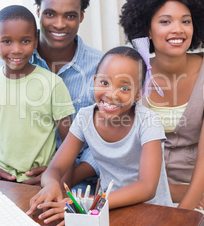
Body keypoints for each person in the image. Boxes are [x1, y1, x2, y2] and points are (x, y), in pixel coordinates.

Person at [0, 0, 104, 186]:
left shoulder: (101, 66)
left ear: (81, 16)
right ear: (38, 12)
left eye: (69, 15)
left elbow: (107, 138)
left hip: (76, 180)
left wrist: (56, 176)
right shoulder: (3, 61)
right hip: (10, 181)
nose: (59, 24)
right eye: (50, 14)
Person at [119, 0, 204, 222]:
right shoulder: (133, 72)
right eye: (165, 21)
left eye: (186, 20)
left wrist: (182, 213)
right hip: (140, 186)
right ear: (147, 30)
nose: (178, 29)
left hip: (194, 191)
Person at [26, 46, 173, 224]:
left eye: (125, 88)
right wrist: (51, 184)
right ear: (95, 81)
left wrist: (93, 205)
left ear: (138, 93)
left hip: (151, 212)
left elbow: (147, 187)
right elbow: (55, 169)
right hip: (104, 211)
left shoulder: (148, 121)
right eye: (104, 83)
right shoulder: (85, 118)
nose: (111, 94)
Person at [0, 5, 75, 183]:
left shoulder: (53, 84)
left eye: (25, 41)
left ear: (36, 41)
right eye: (7, 41)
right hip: (2, 182)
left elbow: (70, 142)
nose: (16, 50)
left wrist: (56, 178)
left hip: (41, 182)